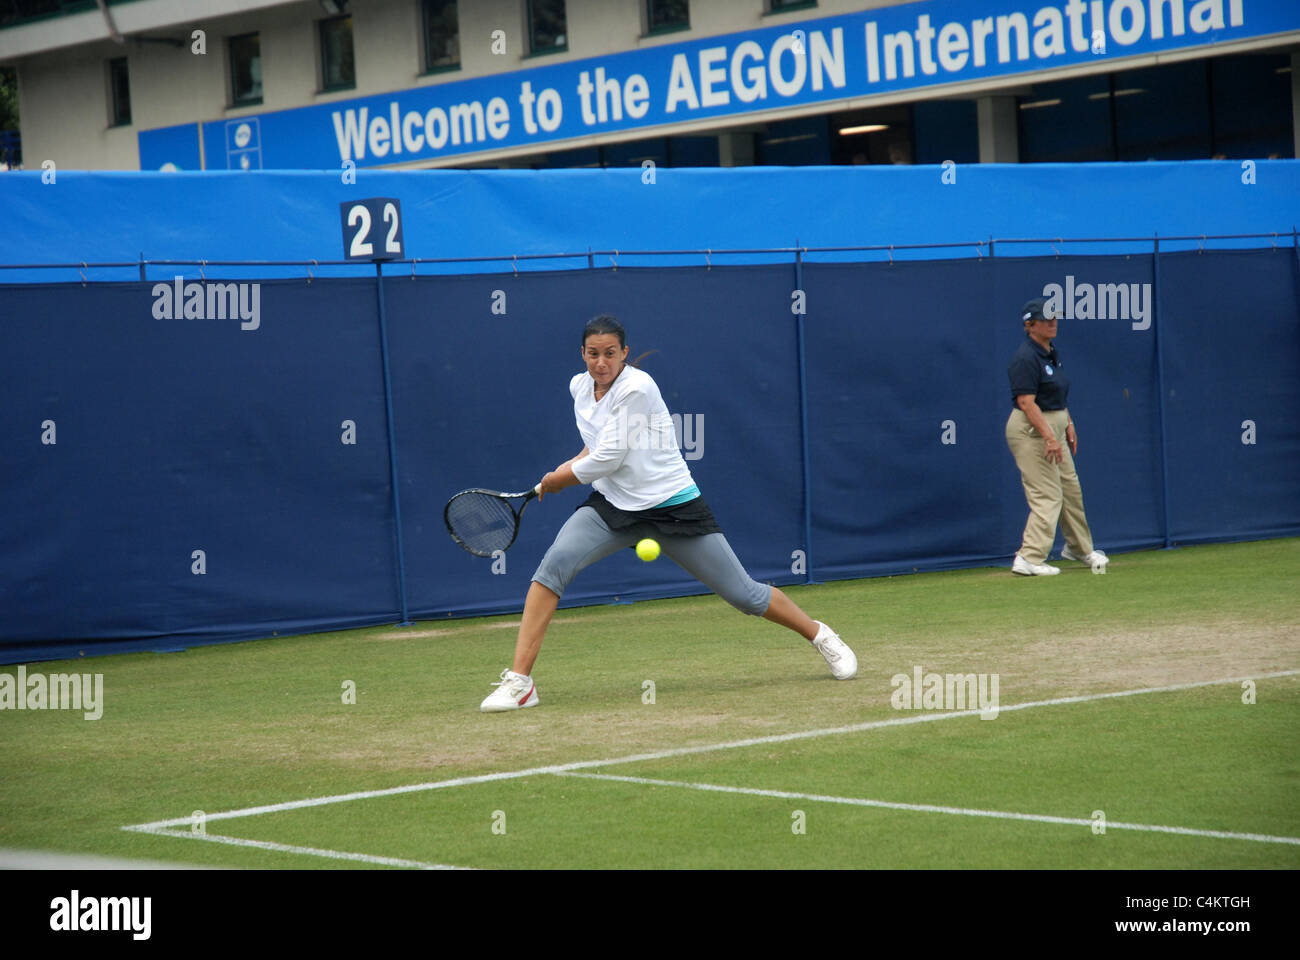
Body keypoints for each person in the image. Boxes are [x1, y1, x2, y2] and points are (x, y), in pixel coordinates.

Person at [480, 315, 857, 711]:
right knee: (552, 567)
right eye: (593, 354)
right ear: (582, 355)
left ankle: (820, 635)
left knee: (743, 594)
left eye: (610, 354)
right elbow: (595, 446)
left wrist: (560, 480)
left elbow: (609, 456)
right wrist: (564, 468)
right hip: (612, 507)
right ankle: (521, 682)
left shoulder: (638, 388)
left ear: (624, 353)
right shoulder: (579, 388)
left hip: (672, 505)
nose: (601, 362)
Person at [1005, 297, 1108, 576]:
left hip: (1055, 426)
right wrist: (1050, 437)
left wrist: (1068, 423)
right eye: (1045, 318)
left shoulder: (1050, 352)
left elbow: (1055, 395)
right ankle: (1029, 557)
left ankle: (1078, 548)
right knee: (1047, 494)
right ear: (1029, 325)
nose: (1053, 322)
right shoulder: (1025, 358)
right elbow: (1027, 402)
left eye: (1055, 317)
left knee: (1070, 488)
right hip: (1032, 432)